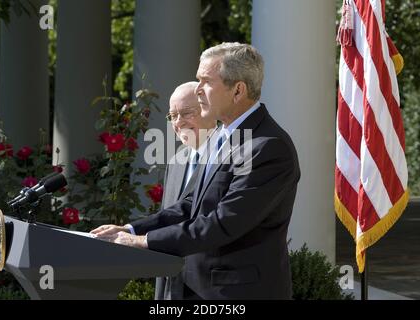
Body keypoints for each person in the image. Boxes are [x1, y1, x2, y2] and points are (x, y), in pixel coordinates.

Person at [91, 42, 300, 299]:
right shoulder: (224, 136)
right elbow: (191, 206)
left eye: (206, 81)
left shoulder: (267, 146)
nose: (198, 89)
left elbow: (223, 222)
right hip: (194, 291)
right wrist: (131, 229)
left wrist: (143, 242)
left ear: (237, 90)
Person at [154, 81, 217, 299]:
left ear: (209, 108)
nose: (179, 122)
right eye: (173, 115)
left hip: (211, 290)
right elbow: (167, 220)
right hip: (173, 288)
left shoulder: (230, 156)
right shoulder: (176, 161)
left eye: (187, 113)